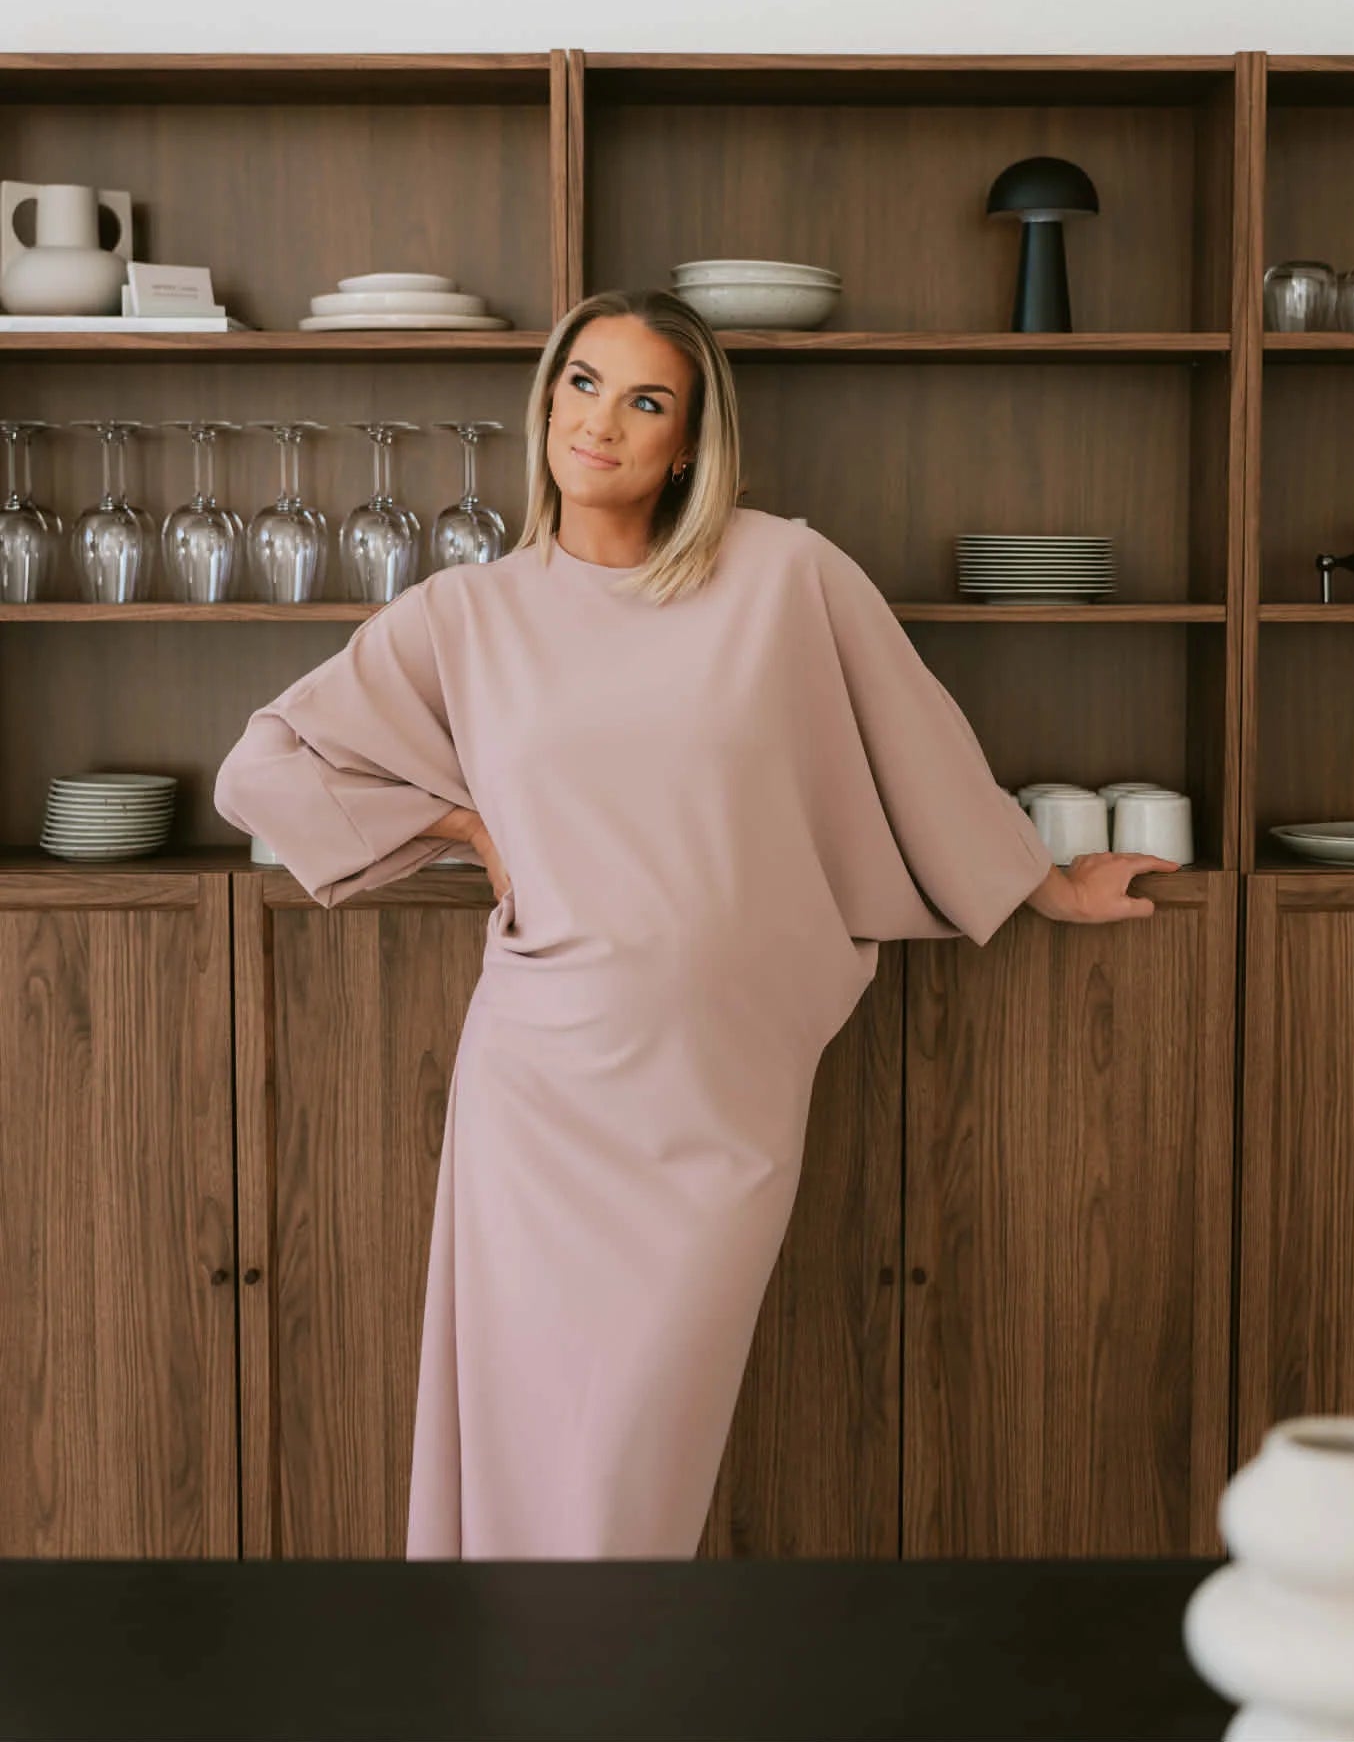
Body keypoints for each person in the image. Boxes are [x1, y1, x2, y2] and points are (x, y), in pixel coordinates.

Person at [213, 287, 1179, 1559]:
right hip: (541, 1091)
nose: (601, 422)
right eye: (582, 383)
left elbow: (917, 742)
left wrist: (1046, 885)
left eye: (645, 400)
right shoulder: (466, 616)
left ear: (687, 440)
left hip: (723, 1099)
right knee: (522, 1433)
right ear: (545, 398)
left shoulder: (784, 572)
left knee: (638, 1455)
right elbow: (262, 768)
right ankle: (515, 1691)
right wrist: (462, 824)